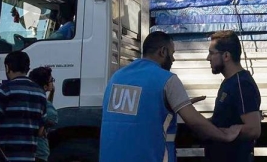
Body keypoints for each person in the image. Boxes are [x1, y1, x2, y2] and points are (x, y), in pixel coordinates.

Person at [100, 31, 241, 162]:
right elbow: (195, 122)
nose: (173, 59)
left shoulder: (116, 77)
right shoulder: (167, 79)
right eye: (172, 53)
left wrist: (174, 104)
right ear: (163, 51)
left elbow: (138, 113)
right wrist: (225, 136)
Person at [204, 30, 262, 162]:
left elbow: (254, 129)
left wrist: (226, 133)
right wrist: (196, 122)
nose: (208, 58)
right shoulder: (229, 82)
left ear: (226, 56)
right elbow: (222, 120)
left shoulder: (242, 84)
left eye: (212, 53)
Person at [0, 51, 47, 162]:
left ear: (7, 67)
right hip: (29, 156)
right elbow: (41, 129)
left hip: (5, 155)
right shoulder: (41, 93)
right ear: (27, 69)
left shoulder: (5, 89)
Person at [28, 66, 58, 162]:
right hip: (40, 151)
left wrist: (52, 93)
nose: (52, 82)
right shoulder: (43, 102)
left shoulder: (30, 98)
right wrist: (44, 127)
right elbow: (52, 117)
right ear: (45, 86)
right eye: (51, 80)